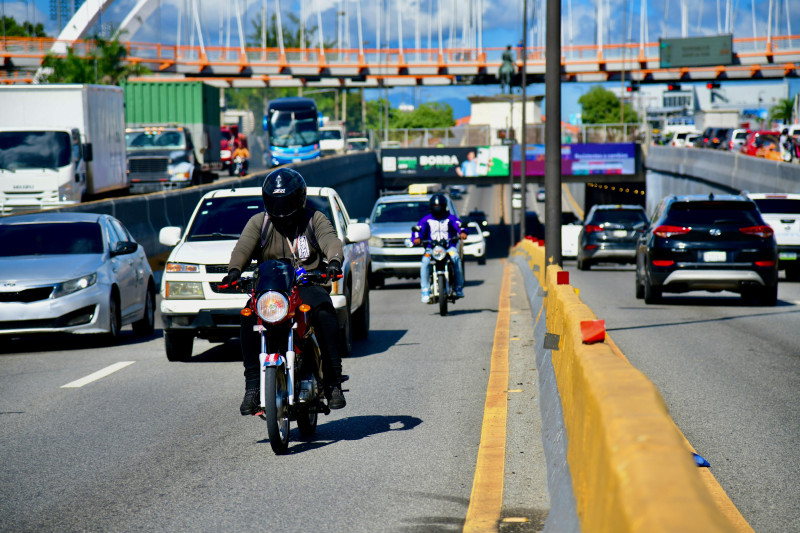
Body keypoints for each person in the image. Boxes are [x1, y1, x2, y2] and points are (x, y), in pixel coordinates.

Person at [221, 168, 347, 414]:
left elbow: (331, 241)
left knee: (323, 311)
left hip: (306, 285)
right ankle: (253, 387)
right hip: (272, 290)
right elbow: (243, 248)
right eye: (276, 201)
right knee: (247, 317)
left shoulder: (315, 219)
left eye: (286, 201)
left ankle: (333, 381)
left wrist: (333, 263)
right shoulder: (260, 222)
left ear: (299, 198)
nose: (281, 209)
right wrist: (234, 271)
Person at [413, 194, 467, 302]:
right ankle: (425, 291)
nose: (437, 208)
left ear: (444, 206)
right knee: (425, 262)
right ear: (431, 206)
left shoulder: (450, 218)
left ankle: (458, 287)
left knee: (456, 258)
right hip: (431, 249)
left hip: (448, 248)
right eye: (435, 205)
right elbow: (418, 230)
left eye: (440, 205)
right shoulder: (426, 219)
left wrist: (462, 232)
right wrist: (416, 238)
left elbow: (459, 225)